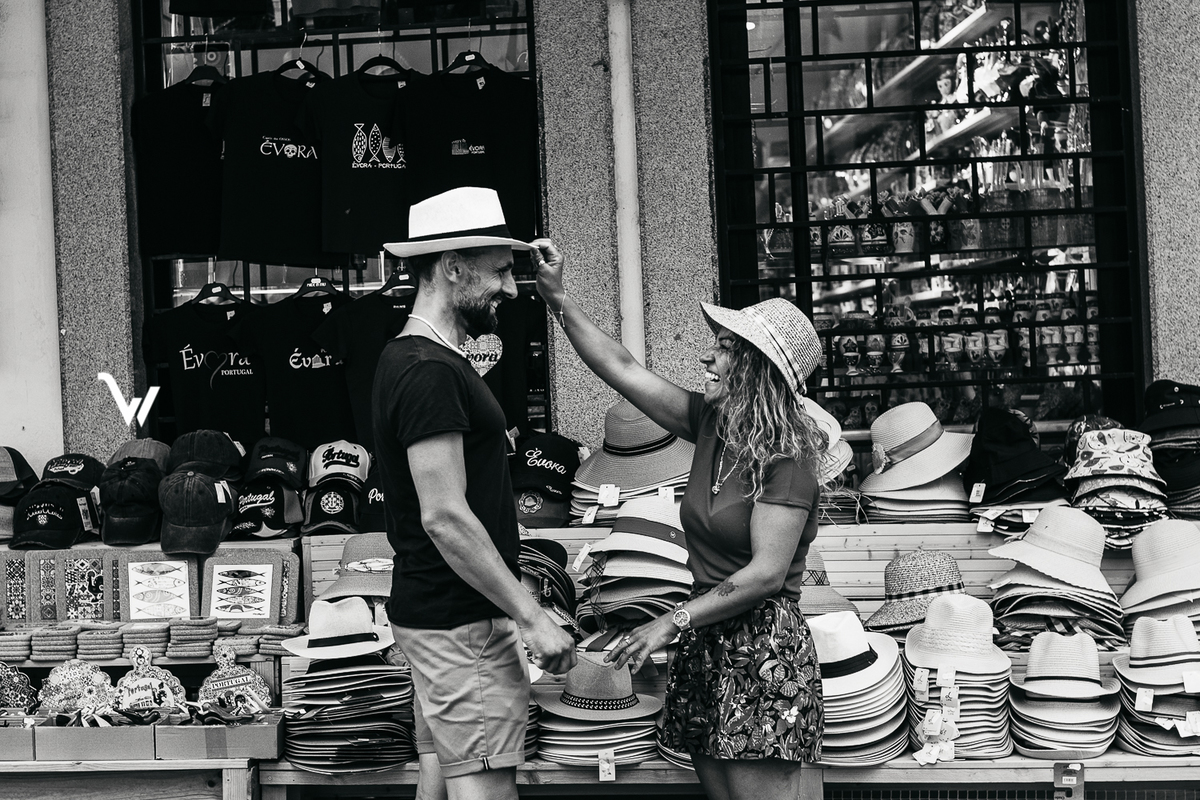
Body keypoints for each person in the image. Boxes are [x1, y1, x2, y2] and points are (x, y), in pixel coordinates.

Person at [532, 240, 826, 800]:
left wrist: (671, 621)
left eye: (720, 349)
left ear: (754, 368)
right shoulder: (713, 424)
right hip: (707, 641)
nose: (705, 360)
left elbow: (766, 574)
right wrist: (559, 299)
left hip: (761, 649)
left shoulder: (787, 457)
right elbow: (621, 369)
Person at [373, 187, 576, 800]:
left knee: (440, 782)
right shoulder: (431, 372)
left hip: (438, 616)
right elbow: (445, 517)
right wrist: (532, 615)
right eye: (499, 272)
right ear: (452, 267)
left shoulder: (410, 359)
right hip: (462, 626)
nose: (512, 290)